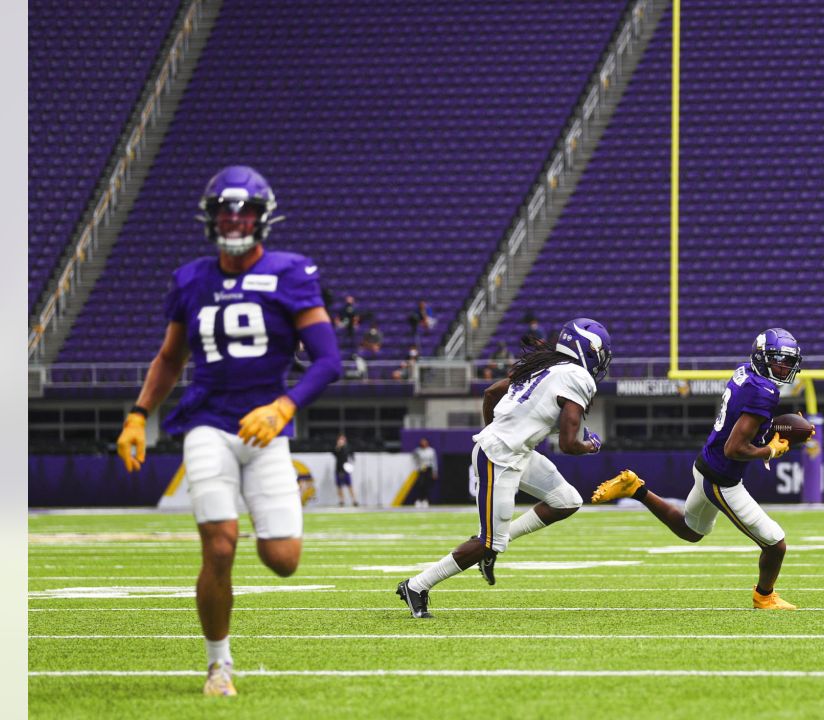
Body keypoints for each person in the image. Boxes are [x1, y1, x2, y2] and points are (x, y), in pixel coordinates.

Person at [115, 165, 342, 696]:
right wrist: (137, 413)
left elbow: (328, 360)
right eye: (225, 210)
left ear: (263, 219)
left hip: (266, 430)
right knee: (219, 547)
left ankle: (260, 515)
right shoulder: (191, 278)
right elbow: (171, 357)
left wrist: (284, 407)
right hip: (208, 424)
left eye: (244, 211)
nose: (234, 219)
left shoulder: (291, 273)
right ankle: (219, 665)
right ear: (210, 216)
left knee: (282, 560)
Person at [396, 318, 612, 618]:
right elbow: (568, 444)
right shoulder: (577, 377)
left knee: (567, 501)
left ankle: (494, 543)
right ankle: (417, 585)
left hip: (514, 451)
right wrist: (592, 445)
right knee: (487, 541)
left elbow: (490, 393)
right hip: (499, 456)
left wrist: (498, 431)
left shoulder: (545, 367)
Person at [592, 328, 803, 611]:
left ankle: (635, 488)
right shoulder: (764, 392)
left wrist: (771, 431)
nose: (785, 367)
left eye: (788, 362)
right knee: (776, 544)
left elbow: (743, 421)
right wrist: (770, 450)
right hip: (721, 478)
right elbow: (735, 449)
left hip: (706, 464)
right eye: (778, 360)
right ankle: (764, 597)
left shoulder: (745, 373)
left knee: (691, 531)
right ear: (762, 358)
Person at [412, 437, 439, 506]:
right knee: (420, 485)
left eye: (425, 441)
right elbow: (414, 459)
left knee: (427, 485)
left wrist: (434, 472)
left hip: (428, 469)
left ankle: (425, 500)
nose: (423, 443)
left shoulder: (431, 450)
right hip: (421, 469)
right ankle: (419, 500)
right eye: (422, 442)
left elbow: (433, 461)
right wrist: (417, 467)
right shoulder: (418, 450)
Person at [333, 434, 357, 507]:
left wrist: (351, 464)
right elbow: (335, 453)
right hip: (338, 469)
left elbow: (352, 456)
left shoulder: (347, 447)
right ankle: (342, 501)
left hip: (346, 470)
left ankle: (354, 500)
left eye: (342, 439)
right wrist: (338, 447)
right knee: (339, 486)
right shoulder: (337, 448)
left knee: (349, 485)